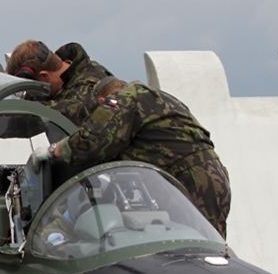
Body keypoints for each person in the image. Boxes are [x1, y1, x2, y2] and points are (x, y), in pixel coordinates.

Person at [13, 39, 232, 237]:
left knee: (195, 254)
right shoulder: (153, 97)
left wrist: (52, 152)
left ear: (101, 100)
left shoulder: (123, 100)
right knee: (206, 249)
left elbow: (91, 141)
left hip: (190, 183)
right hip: (210, 176)